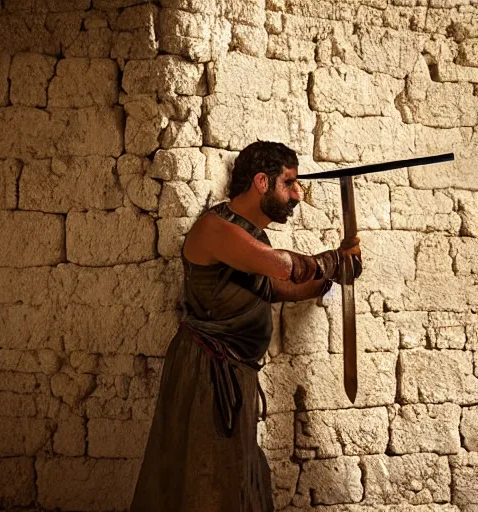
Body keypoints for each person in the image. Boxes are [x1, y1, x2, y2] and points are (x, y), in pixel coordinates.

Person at [130, 141, 361, 511]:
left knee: (236, 480)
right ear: (261, 182)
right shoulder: (215, 229)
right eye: (290, 183)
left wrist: (334, 279)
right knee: (207, 481)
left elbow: (279, 287)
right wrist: (333, 261)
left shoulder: (253, 238)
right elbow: (283, 267)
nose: (297, 194)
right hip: (205, 372)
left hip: (235, 374)